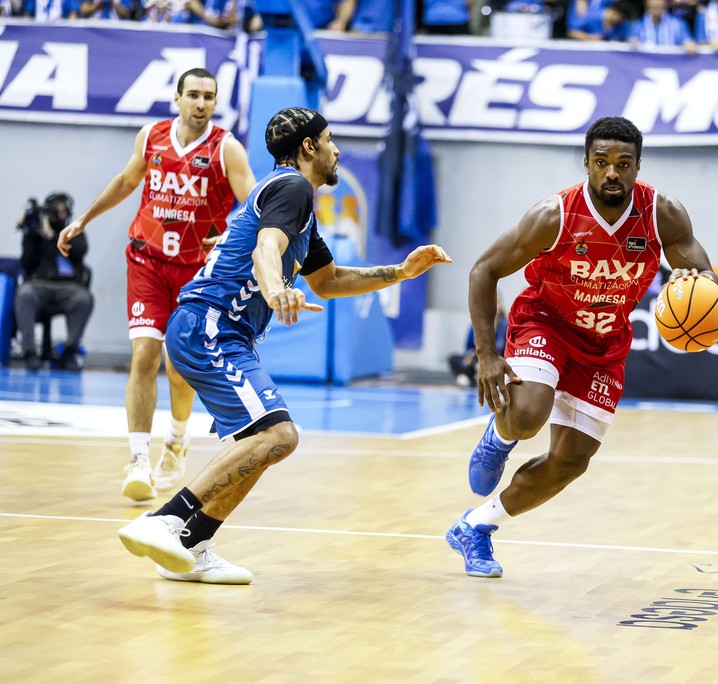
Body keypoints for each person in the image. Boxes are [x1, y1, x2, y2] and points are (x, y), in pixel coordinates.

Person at [115, 107, 451, 584]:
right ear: (309, 146)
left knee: (260, 444)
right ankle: (166, 519)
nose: (337, 150)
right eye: (330, 140)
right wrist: (274, 289)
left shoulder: (299, 208)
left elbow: (329, 282)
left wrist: (400, 272)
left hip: (221, 332)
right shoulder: (292, 187)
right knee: (280, 435)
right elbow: (265, 248)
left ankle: (193, 544)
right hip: (210, 324)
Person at [445, 116, 718, 578]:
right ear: (587, 163)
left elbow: (703, 272)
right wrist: (487, 355)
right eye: (601, 162)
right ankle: (501, 436)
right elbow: (483, 270)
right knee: (527, 414)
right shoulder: (554, 215)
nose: (612, 172)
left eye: (623, 163)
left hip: (604, 343)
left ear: (638, 166)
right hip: (546, 322)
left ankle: (475, 527)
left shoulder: (663, 214)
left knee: (571, 461)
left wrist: (699, 285)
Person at [57, 68, 257, 503]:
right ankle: (137, 461)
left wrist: (228, 236)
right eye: (194, 95)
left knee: (178, 365)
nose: (201, 103)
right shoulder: (151, 137)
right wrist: (84, 218)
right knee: (144, 354)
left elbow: (256, 206)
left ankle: (177, 439)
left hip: (196, 271)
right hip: (146, 259)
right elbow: (127, 181)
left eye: (209, 96)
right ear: (177, 98)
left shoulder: (226, 148)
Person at [15, 193, 93, 372]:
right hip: (39, 285)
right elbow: (26, 263)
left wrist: (51, 236)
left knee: (83, 298)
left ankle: (69, 351)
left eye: (63, 210)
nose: (60, 214)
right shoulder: (35, 234)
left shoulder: (74, 231)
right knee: (24, 294)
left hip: (68, 287)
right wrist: (30, 234)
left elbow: (78, 253)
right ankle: (29, 353)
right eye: (56, 210)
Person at [448, 298, 508, 387]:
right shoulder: (475, 325)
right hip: (477, 361)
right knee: (453, 359)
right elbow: (468, 349)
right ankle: (473, 377)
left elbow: (507, 351)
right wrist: (469, 357)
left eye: (496, 303)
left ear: (500, 306)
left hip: (497, 363)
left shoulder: (505, 326)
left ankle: (489, 379)